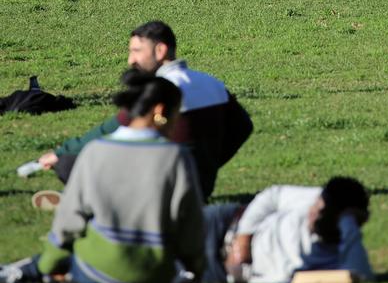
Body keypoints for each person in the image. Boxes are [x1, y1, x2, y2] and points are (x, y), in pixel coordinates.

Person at [36, 70, 205, 283]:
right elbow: (190, 224)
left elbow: (69, 219)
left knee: (37, 264)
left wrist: (48, 265)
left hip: (95, 274)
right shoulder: (175, 156)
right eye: (177, 113)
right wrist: (195, 269)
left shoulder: (95, 151)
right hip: (154, 277)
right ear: (160, 111)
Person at [36, 21, 253, 201]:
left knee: (68, 163)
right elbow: (244, 127)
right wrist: (211, 163)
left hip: (160, 189)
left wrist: (61, 152)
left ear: (160, 50)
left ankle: (92, 201)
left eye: (137, 51)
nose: (131, 60)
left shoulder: (160, 90)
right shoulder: (211, 82)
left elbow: (109, 130)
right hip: (200, 187)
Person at [203, 176, 373, 283]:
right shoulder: (324, 196)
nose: (314, 213)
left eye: (324, 212)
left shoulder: (336, 257)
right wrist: (243, 238)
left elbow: (362, 277)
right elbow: (272, 196)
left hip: (224, 271)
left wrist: (349, 224)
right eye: (317, 205)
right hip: (227, 223)